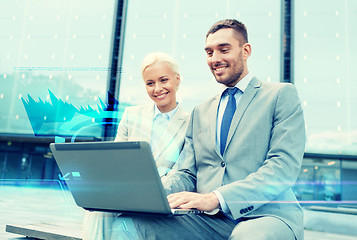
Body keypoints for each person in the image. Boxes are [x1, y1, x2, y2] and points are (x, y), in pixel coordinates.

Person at [109, 19, 306, 240]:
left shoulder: (280, 95)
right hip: (207, 220)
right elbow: (186, 173)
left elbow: (282, 168)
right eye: (209, 52)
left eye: (224, 50)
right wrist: (146, 193)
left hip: (266, 217)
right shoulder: (201, 112)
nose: (215, 59)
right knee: (126, 224)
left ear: (246, 50)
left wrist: (217, 197)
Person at [82, 52, 190, 240]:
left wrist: (148, 192)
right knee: (98, 210)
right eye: (150, 83)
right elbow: (116, 162)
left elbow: (183, 172)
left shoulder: (192, 123)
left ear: (177, 79)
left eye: (163, 80)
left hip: (164, 199)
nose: (157, 89)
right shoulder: (132, 115)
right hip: (126, 193)